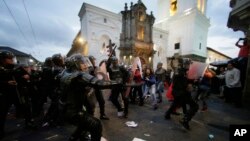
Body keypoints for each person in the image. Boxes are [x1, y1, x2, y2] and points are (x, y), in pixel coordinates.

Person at [60, 54, 117, 141]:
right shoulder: (79, 75)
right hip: (72, 111)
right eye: (82, 63)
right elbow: (99, 83)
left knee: (85, 122)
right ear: (75, 64)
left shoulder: (65, 72)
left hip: (64, 107)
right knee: (96, 124)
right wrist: (118, 83)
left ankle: (74, 137)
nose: (86, 65)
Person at [164, 57, 198, 130]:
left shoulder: (182, 71)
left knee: (175, 104)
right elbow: (183, 82)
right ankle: (185, 120)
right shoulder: (183, 72)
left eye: (189, 64)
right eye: (187, 64)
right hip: (182, 93)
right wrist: (189, 82)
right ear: (183, 64)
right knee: (195, 106)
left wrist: (192, 80)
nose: (189, 66)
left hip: (178, 93)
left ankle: (167, 114)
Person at [0, 50, 18, 139]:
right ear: (3, 59)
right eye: (9, 59)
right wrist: (7, 83)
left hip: (7, 95)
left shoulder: (8, 68)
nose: (11, 61)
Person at [88, 55, 109, 120]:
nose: (94, 61)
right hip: (90, 88)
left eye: (94, 60)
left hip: (96, 87)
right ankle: (91, 117)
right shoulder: (88, 68)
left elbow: (100, 76)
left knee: (102, 101)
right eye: (93, 60)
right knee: (91, 104)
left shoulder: (96, 67)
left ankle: (102, 115)